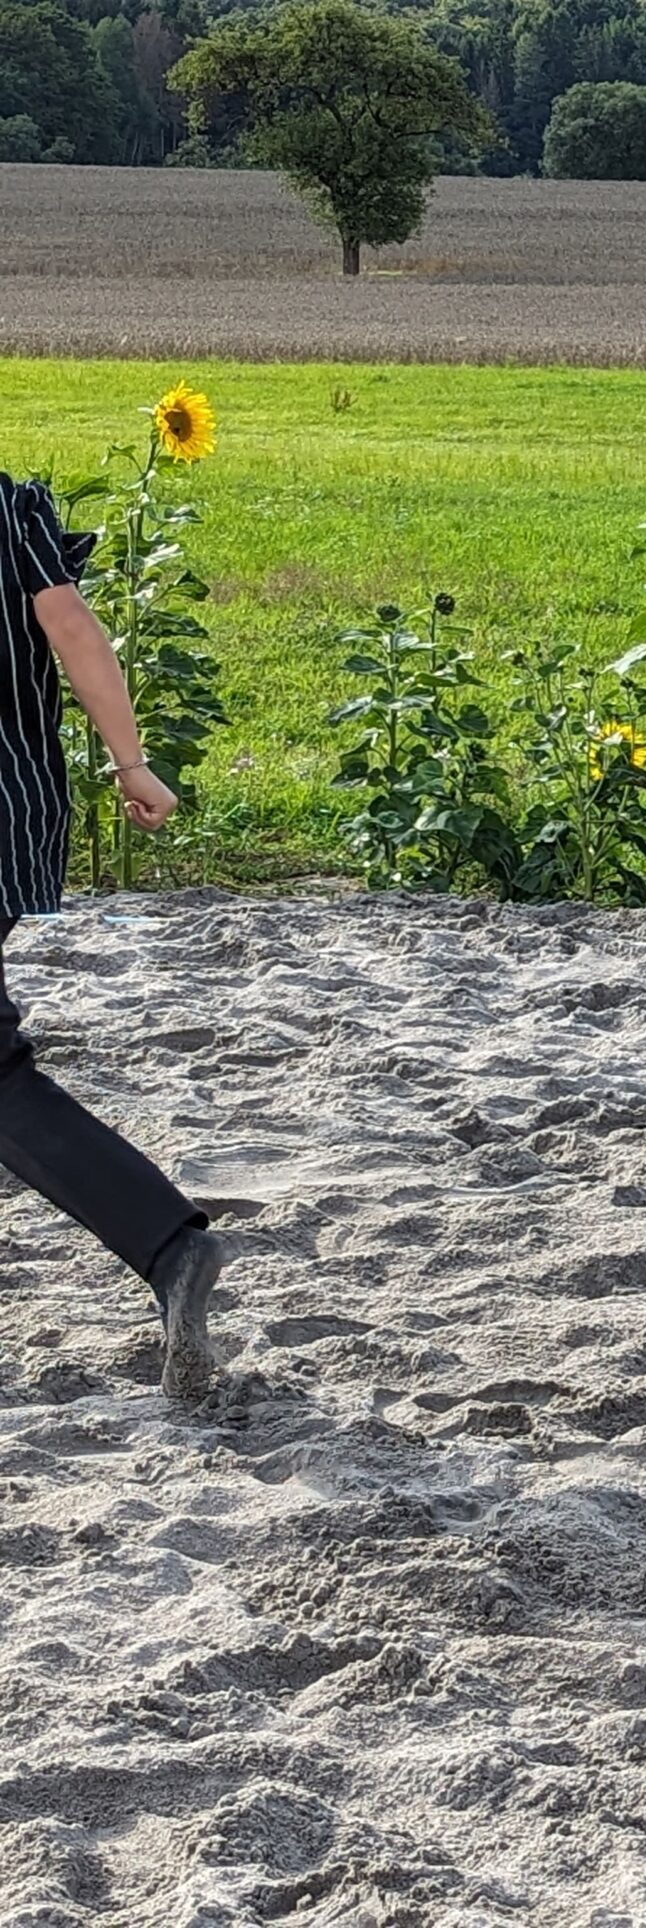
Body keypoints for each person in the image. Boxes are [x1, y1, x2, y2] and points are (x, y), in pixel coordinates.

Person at [0, 474, 224, 1402]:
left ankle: (169, 1244)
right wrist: (130, 762)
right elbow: (71, 626)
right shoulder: (8, 510)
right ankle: (170, 1249)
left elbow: (69, 627)